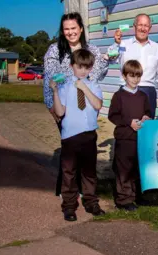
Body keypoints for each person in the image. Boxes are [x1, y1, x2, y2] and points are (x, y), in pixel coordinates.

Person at [44, 12, 109, 197]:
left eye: (74, 28)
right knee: (69, 153)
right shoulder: (55, 51)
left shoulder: (93, 50)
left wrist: (107, 61)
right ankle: (67, 191)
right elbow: (49, 79)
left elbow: (97, 75)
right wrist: (52, 108)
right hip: (65, 109)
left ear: (81, 29)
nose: (71, 32)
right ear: (62, 31)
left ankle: (84, 190)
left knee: (86, 151)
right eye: (66, 29)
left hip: (87, 108)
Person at [50, 49, 105, 221]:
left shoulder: (94, 85)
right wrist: (55, 92)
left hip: (88, 135)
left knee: (89, 171)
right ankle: (69, 205)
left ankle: (90, 202)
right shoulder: (65, 87)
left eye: (87, 68)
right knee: (69, 172)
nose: (83, 71)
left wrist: (85, 88)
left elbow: (97, 105)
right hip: (70, 137)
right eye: (79, 67)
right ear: (72, 66)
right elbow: (60, 111)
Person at [108, 60, 152, 211]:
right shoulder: (118, 96)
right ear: (124, 76)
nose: (135, 79)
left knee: (137, 168)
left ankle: (137, 196)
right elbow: (113, 116)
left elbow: (148, 112)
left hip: (140, 139)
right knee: (124, 169)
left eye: (138, 76)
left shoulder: (143, 96)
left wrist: (146, 117)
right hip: (124, 138)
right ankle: (123, 199)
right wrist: (129, 122)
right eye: (131, 76)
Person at [110, 13, 158, 120]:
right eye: (140, 25)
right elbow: (111, 59)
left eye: (146, 25)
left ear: (150, 28)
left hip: (148, 92)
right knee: (127, 124)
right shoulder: (123, 44)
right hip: (126, 90)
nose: (143, 28)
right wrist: (116, 44)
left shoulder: (156, 47)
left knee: (146, 127)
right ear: (134, 26)